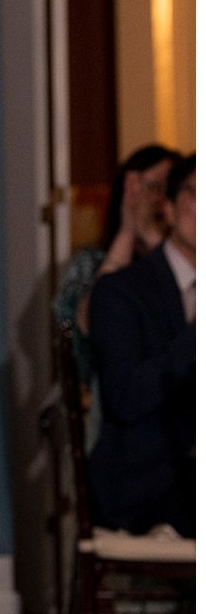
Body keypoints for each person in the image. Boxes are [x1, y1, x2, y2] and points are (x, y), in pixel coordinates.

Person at [88, 153, 195, 537]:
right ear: (168, 205)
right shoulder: (122, 292)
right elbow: (125, 397)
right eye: (197, 195)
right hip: (148, 486)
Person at [54, 143, 179, 391]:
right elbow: (89, 329)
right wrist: (128, 231)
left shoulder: (190, 260)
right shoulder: (91, 262)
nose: (159, 200)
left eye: (169, 189)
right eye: (153, 188)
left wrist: (152, 239)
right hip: (113, 396)